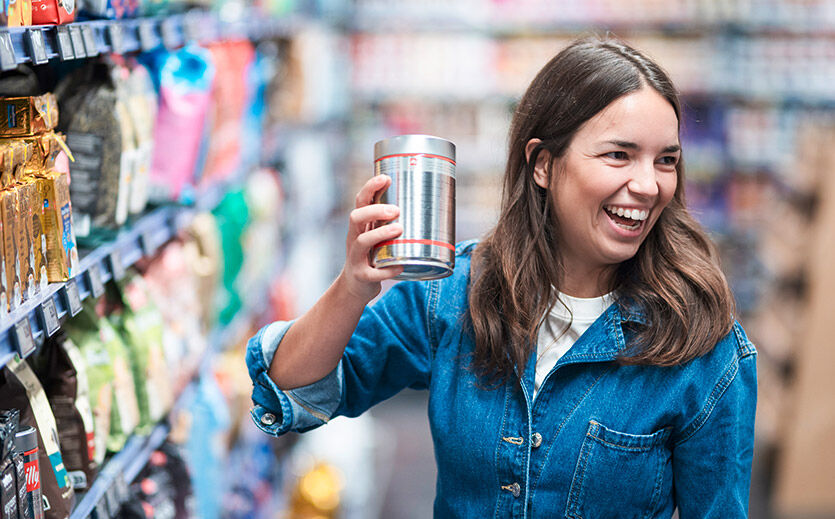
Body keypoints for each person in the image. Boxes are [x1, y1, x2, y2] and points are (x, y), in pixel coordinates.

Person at [246, 36, 757, 518]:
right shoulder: (454, 295)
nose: (648, 185)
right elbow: (291, 391)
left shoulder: (702, 347)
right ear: (542, 163)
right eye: (618, 154)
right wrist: (353, 287)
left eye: (666, 160)